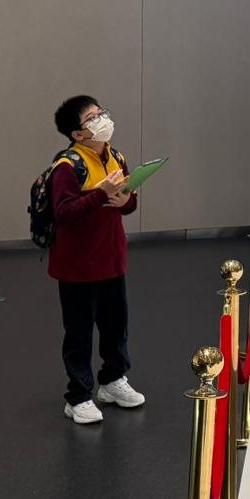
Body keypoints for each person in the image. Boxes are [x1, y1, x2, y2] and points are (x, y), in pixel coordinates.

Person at [49, 95, 144, 424]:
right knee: (78, 334)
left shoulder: (116, 157)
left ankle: (113, 380)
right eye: (92, 117)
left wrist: (124, 201)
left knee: (116, 326)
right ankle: (78, 396)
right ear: (78, 134)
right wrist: (100, 194)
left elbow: (129, 202)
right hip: (77, 266)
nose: (102, 119)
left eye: (101, 112)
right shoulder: (67, 166)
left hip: (112, 259)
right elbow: (64, 213)